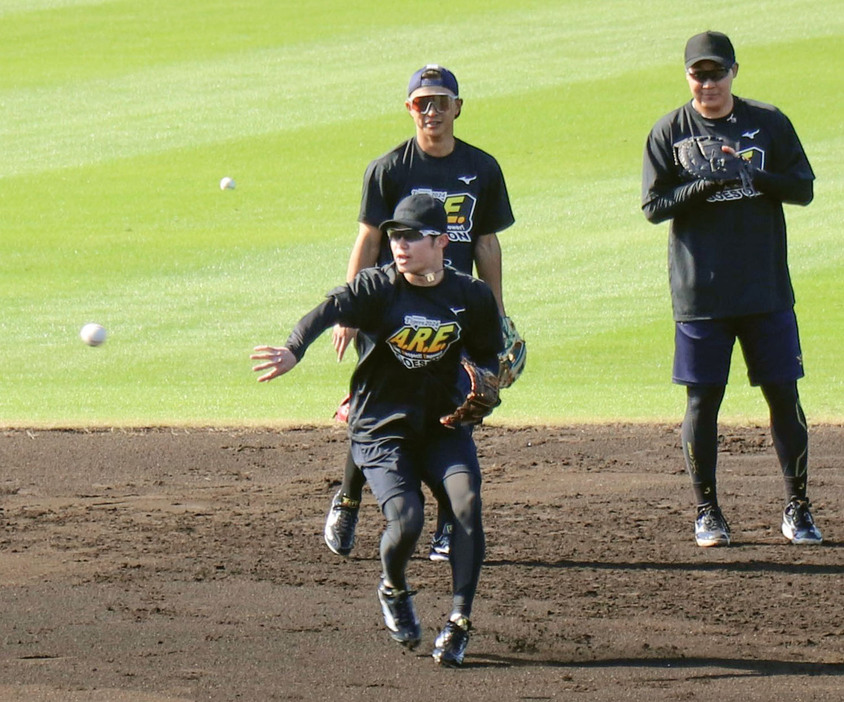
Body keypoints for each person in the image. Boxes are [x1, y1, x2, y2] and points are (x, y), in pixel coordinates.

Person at [252, 193, 503, 666]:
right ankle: (394, 588)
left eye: (411, 236)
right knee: (407, 521)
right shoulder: (377, 287)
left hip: (442, 427)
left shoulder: (470, 296)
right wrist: (293, 349)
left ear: (442, 241)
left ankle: (458, 621)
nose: (399, 245)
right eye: (394, 236)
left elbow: (489, 353)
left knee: (467, 505)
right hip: (381, 430)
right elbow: (325, 311)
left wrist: (485, 381)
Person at [325, 64, 516, 561]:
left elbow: (487, 242)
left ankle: (448, 527)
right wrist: (349, 308)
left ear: (458, 107)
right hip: (392, 312)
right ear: (409, 108)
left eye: (440, 101)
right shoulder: (388, 169)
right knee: (376, 408)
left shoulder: (483, 167)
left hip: (455, 313)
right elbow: (368, 238)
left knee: (458, 408)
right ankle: (348, 500)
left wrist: (494, 310)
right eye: (420, 103)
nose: (431, 111)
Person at [642, 31, 821, 548]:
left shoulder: (768, 122)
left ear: (734, 72)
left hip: (765, 289)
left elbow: (803, 189)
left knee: (783, 395)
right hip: (701, 294)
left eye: (717, 73)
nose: (708, 83)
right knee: (703, 401)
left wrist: (751, 172)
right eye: (699, 74)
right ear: (687, 77)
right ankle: (707, 512)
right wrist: (702, 184)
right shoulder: (669, 131)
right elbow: (654, 208)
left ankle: (798, 507)